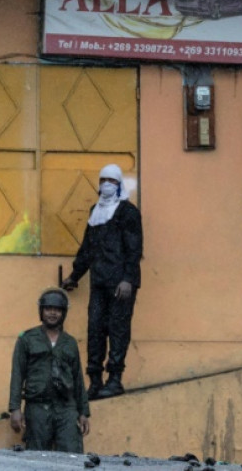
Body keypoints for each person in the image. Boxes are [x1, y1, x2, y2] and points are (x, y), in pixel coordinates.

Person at [61, 163, 143, 400]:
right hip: (99, 282)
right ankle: (95, 381)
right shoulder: (95, 211)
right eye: (103, 180)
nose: (107, 184)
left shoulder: (128, 212)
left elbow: (134, 248)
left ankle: (114, 379)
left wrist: (127, 279)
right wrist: (75, 276)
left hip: (121, 284)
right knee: (95, 329)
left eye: (112, 181)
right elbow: (87, 248)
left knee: (118, 329)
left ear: (119, 185)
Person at [8, 288, 90, 452]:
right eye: (48, 309)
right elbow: (17, 374)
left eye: (57, 309)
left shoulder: (70, 343)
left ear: (63, 312)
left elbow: (78, 378)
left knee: (72, 455)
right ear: (41, 311)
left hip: (66, 408)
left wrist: (83, 412)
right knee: (38, 457)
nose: (52, 313)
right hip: (37, 407)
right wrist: (15, 409)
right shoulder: (27, 339)